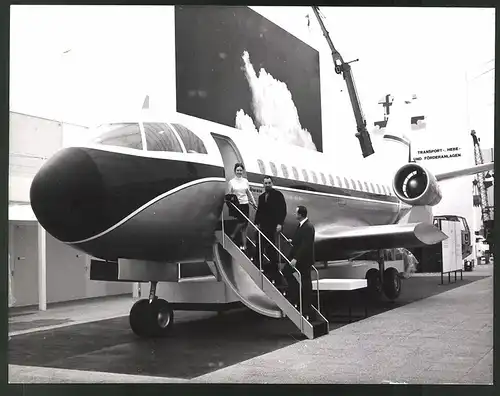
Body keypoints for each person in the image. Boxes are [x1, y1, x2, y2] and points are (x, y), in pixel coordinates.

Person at [282, 205, 315, 320]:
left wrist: (296, 258)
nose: (295, 214)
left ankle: (307, 309)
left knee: (306, 282)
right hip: (300, 258)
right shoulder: (302, 226)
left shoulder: (308, 227)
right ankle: (296, 293)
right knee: (286, 271)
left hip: (303, 259)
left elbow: (305, 245)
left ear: (301, 215)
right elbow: (299, 240)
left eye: (296, 213)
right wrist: (292, 241)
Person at [254, 176, 287, 287]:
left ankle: (275, 270)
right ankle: (261, 266)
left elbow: (283, 210)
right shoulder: (262, 197)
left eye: (269, 183)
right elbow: (259, 211)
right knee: (259, 245)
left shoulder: (278, 195)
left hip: (272, 226)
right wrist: (256, 223)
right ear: (263, 184)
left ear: (272, 183)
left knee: (271, 248)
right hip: (263, 226)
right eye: (265, 183)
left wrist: (280, 224)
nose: (267, 185)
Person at [227, 162, 257, 252]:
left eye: (241, 170)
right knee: (242, 222)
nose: (239, 172)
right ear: (235, 171)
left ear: (242, 171)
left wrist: (254, 202)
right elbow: (229, 194)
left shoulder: (245, 181)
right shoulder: (231, 182)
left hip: (245, 204)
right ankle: (233, 234)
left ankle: (244, 246)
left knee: (245, 226)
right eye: (237, 170)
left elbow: (248, 193)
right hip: (237, 205)